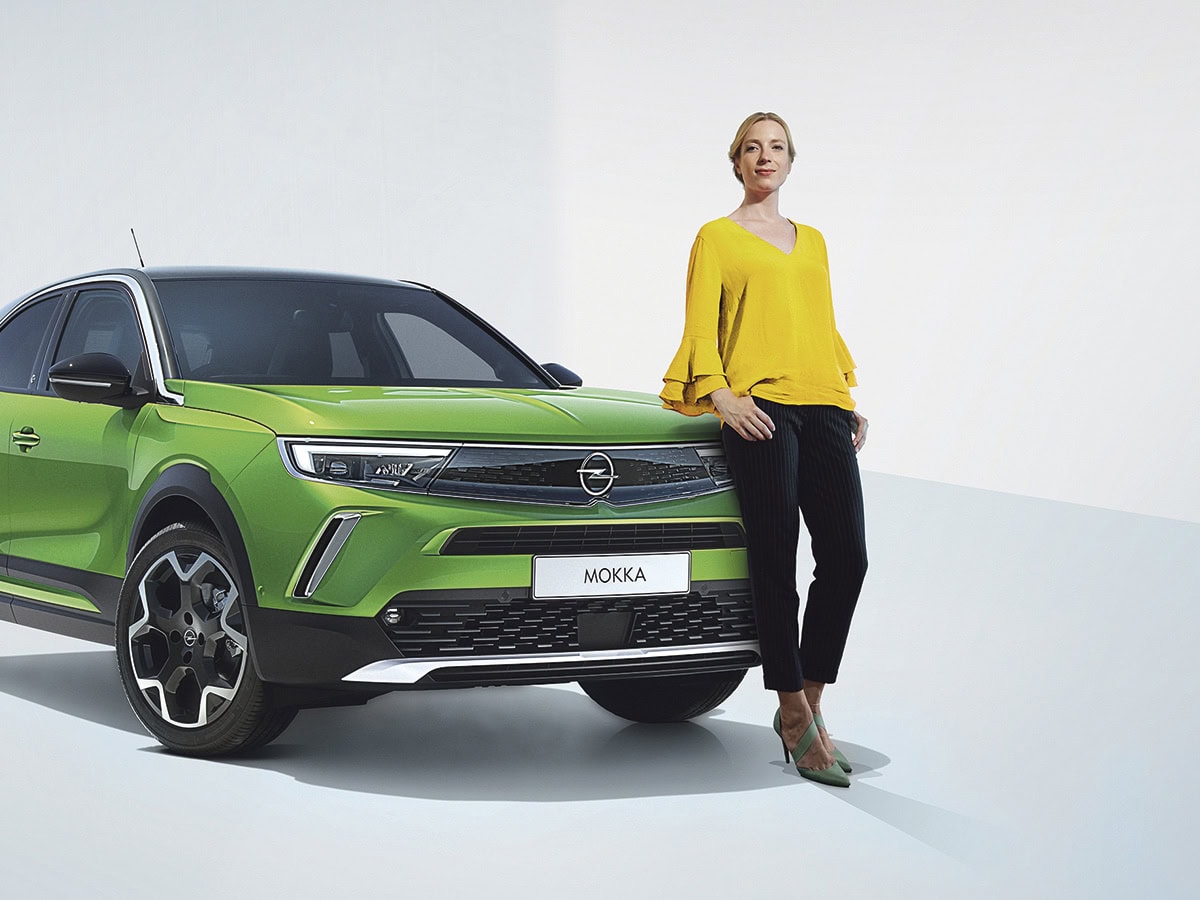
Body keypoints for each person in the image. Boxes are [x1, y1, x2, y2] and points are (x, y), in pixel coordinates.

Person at [660, 112, 868, 788]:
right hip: (759, 412)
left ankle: (809, 704)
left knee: (847, 558)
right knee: (776, 556)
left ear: (790, 160)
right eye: (752, 148)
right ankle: (788, 708)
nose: (764, 157)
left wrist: (843, 394)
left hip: (823, 403)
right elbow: (701, 325)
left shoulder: (814, 242)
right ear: (737, 162)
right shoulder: (716, 238)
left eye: (775, 147)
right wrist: (719, 394)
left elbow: (818, 326)